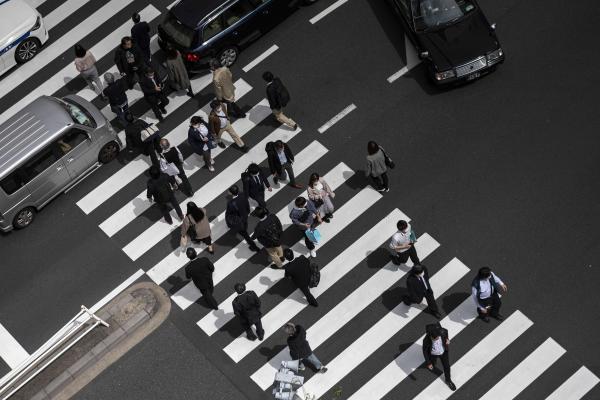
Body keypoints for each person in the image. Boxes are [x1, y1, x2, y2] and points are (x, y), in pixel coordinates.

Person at [225, 185, 260, 252]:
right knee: (244, 227)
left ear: (231, 193)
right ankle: (244, 229)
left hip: (238, 221)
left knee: (245, 235)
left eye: (229, 191)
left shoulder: (231, 203)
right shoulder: (243, 195)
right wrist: (247, 212)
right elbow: (247, 205)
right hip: (244, 216)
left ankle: (254, 247)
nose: (228, 191)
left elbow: (229, 214)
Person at [423, 323, 456, 391]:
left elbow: (446, 335)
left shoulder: (443, 332)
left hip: (443, 352)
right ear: (430, 336)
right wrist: (428, 363)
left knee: (447, 366)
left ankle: (448, 380)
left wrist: (447, 339)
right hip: (433, 354)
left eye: (438, 337)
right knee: (432, 364)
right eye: (435, 338)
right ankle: (432, 363)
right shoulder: (426, 340)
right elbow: (425, 351)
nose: (437, 338)